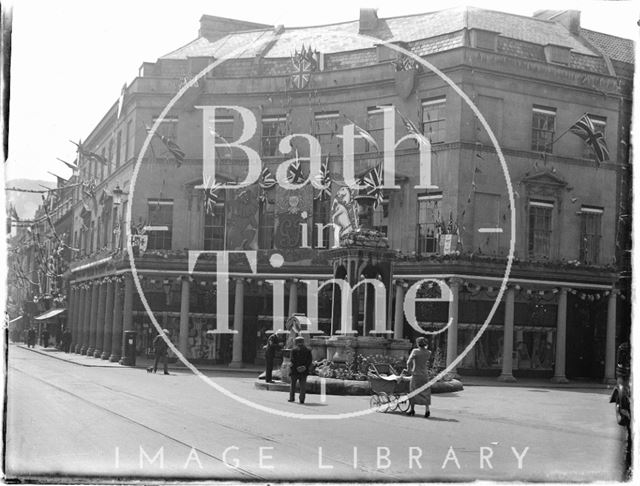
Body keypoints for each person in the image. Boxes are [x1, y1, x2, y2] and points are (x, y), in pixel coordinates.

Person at [406, 337, 432, 418]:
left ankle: (412, 409)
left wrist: (409, 370)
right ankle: (427, 409)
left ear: (417, 343)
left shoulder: (415, 351)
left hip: (416, 374)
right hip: (425, 374)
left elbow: (408, 362)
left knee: (413, 391)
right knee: (426, 391)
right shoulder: (428, 352)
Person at [288, 336, 312, 404]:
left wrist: (297, 367)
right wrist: (304, 366)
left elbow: (292, 360)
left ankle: (291, 398)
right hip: (304, 371)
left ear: (296, 342)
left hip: (295, 370)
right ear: (303, 342)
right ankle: (302, 399)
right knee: (303, 386)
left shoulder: (294, 350)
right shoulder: (308, 350)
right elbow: (309, 360)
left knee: (293, 385)